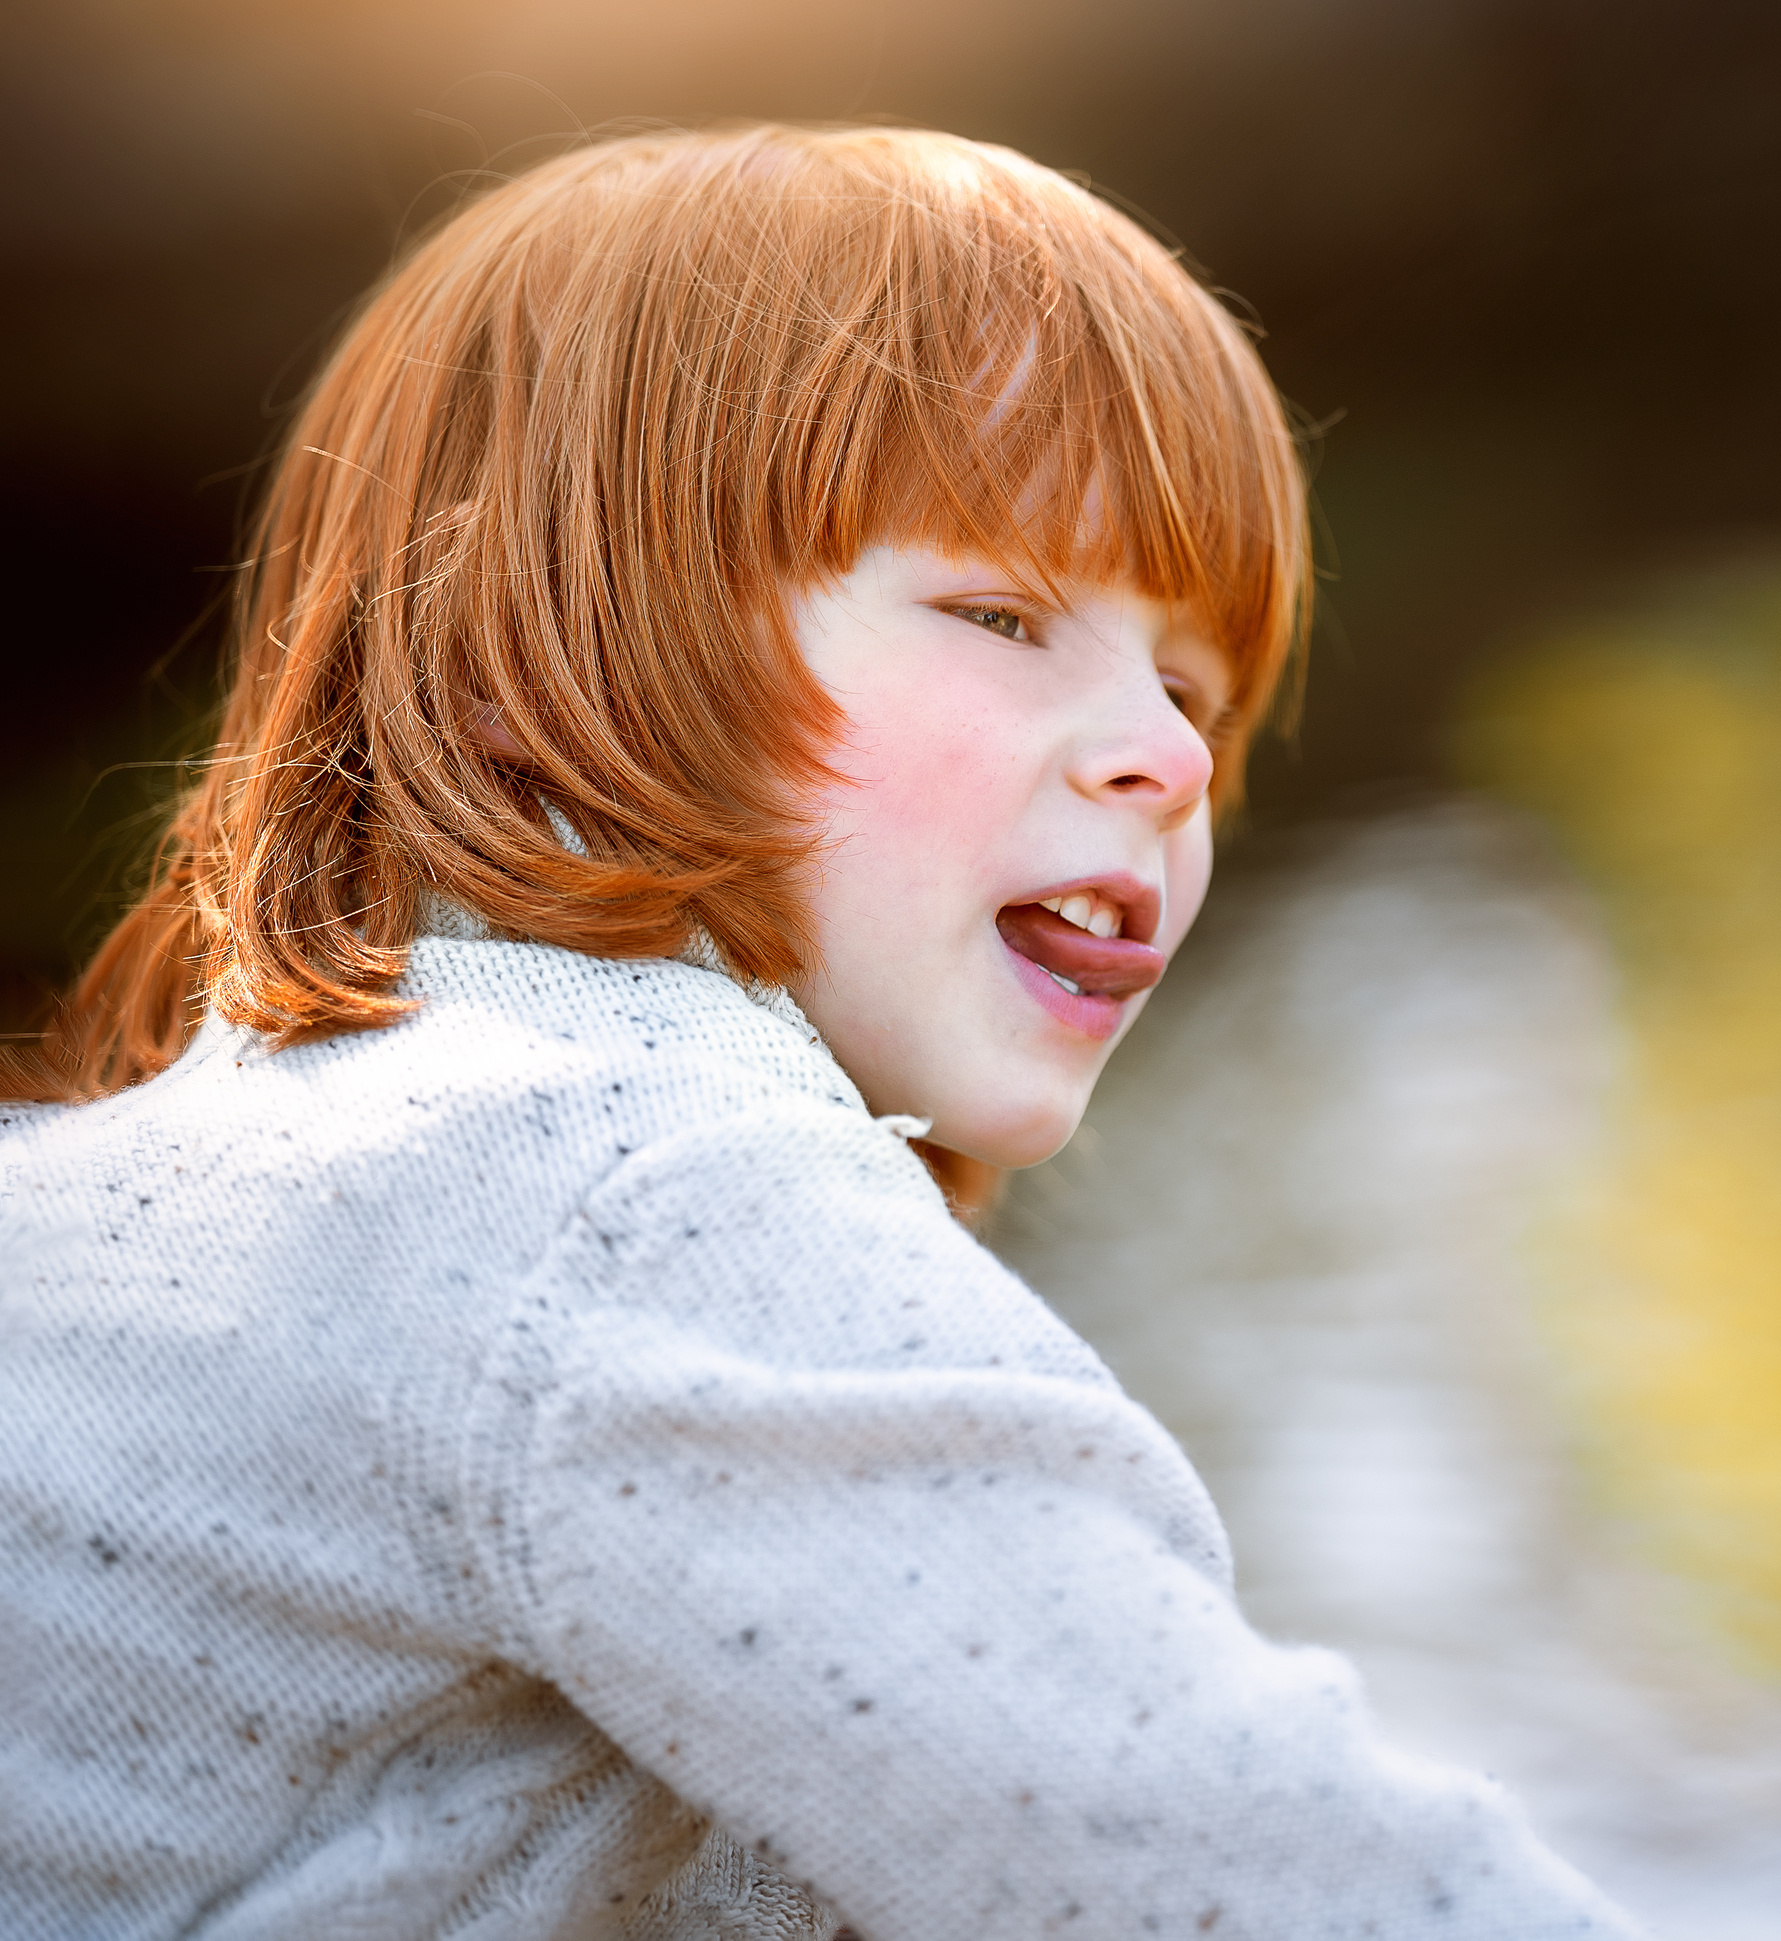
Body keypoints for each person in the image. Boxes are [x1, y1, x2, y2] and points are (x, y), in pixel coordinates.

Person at [0, 124, 1640, 1940]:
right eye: (1003, 612)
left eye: (1192, 685)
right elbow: (1275, 1875)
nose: (1170, 760)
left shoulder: (181, 1175)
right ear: (546, 658)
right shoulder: (640, 1193)